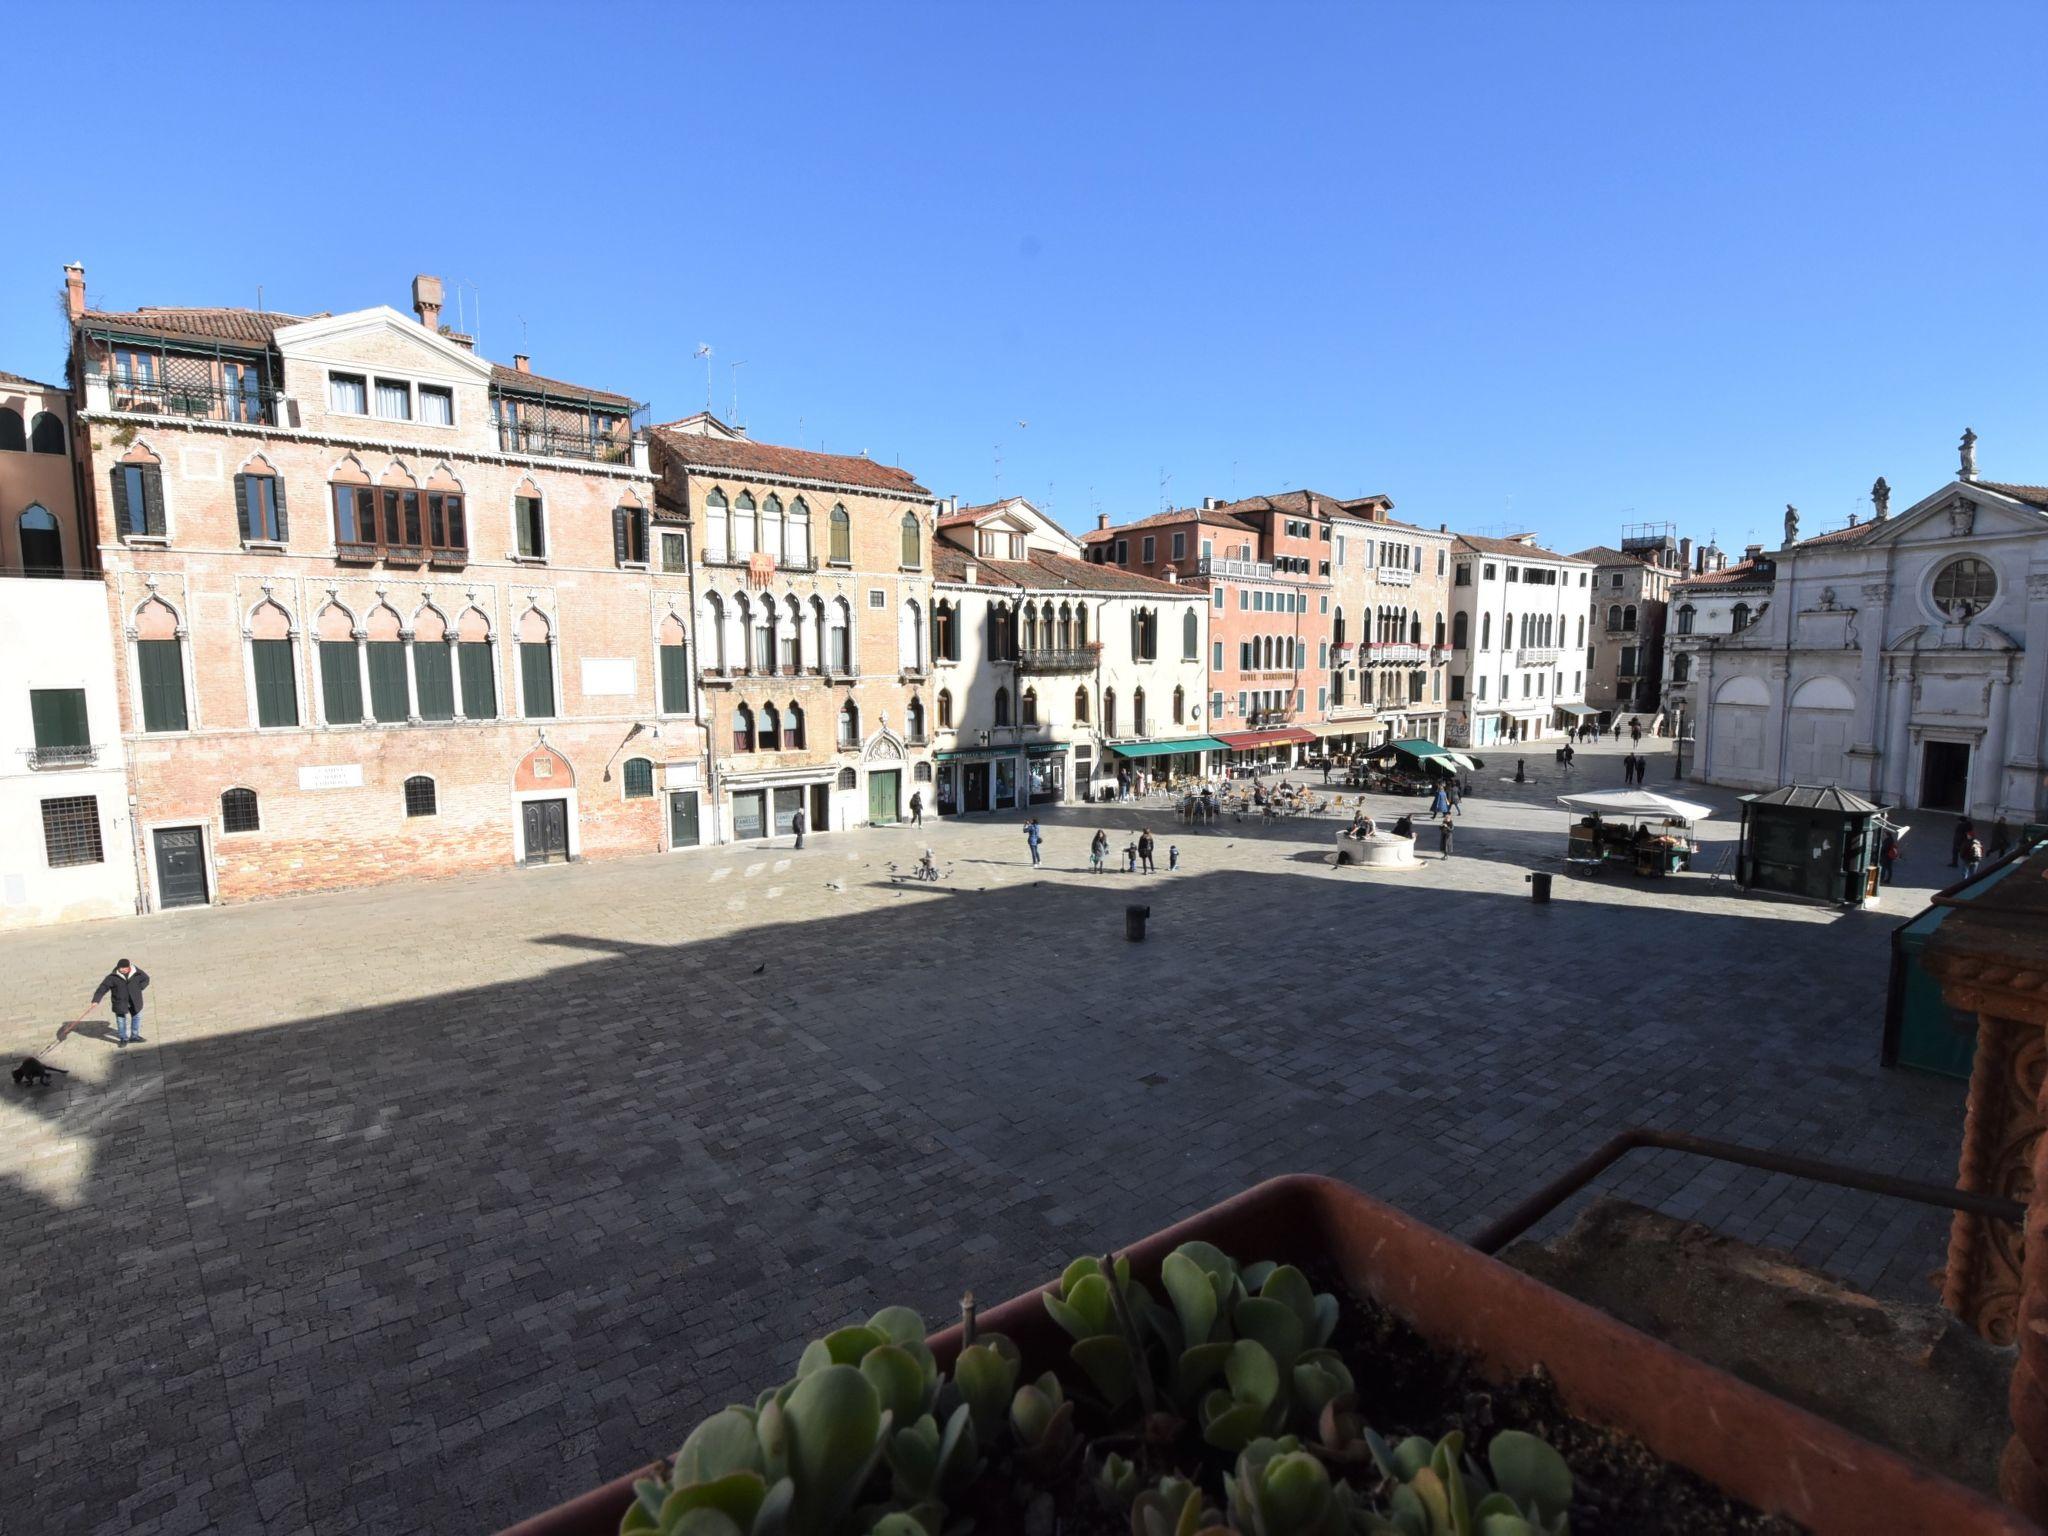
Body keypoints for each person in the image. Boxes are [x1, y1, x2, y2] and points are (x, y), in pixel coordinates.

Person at [92, 957, 150, 1048]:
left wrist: (139, 988)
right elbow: (102, 988)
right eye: (121, 968)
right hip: (120, 1002)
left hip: (135, 1000)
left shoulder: (137, 972)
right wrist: (96, 1000)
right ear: (118, 967)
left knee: (137, 1017)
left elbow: (146, 979)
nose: (123, 970)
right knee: (121, 1021)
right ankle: (123, 1038)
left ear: (129, 967)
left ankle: (134, 1036)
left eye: (125, 968)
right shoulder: (112, 977)